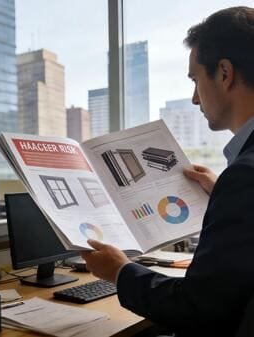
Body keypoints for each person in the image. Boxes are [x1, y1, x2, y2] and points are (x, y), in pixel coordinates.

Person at [80, 6, 254, 337]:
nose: (193, 98)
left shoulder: (244, 177)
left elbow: (197, 309)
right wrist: (222, 195)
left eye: (195, 79)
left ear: (224, 73)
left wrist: (119, 270)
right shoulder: (242, 179)